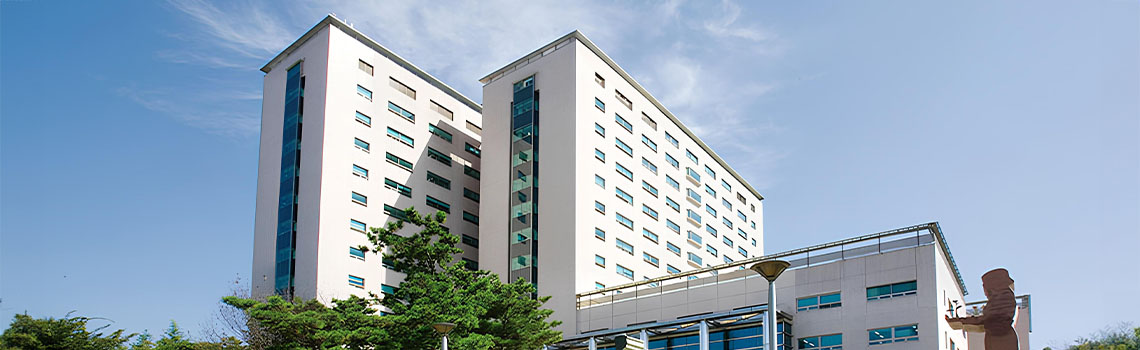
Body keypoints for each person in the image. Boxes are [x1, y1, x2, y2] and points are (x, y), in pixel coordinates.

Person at [946, 268, 1019, 350]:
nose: (984, 291)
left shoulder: (1002, 299)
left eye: (985, 286)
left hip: (999, 340)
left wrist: (956, 322)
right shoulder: (1003, 298)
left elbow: (988, 320)